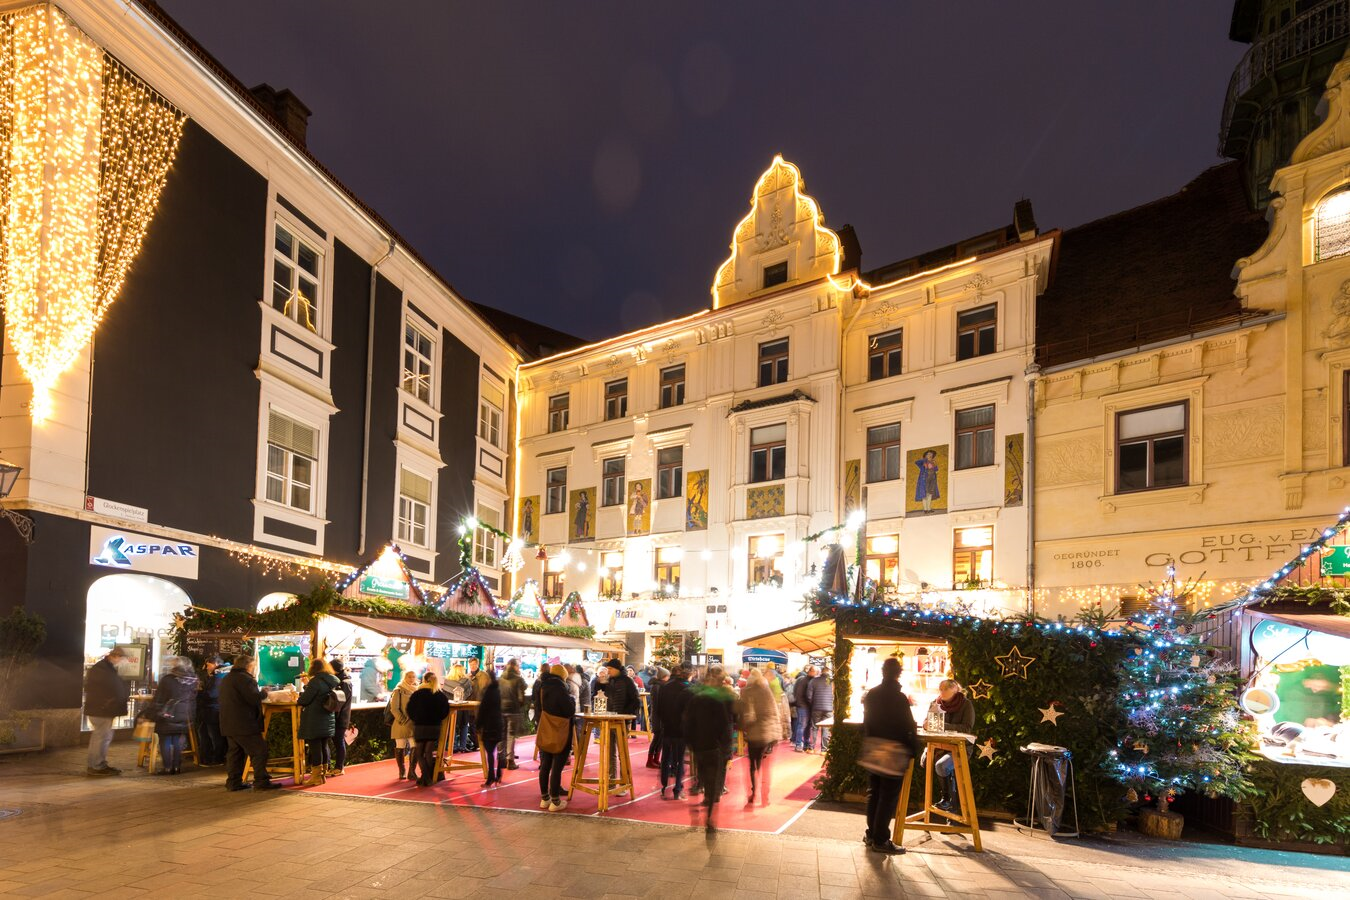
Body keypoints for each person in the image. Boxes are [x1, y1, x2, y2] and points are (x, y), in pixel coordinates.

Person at [862, 657, 922, 854]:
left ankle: (871, 835)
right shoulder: (899, 697)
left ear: (882, 671)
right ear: (899, 673)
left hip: (874, 746)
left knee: (874, 793)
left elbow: (867, 721)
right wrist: (914, 747)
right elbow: (907, 725)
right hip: (893, 749)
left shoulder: (872, 694)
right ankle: (881, 840)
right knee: (888, 797)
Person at [683, 665, 737, 832]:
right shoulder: (722, 698)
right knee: (714, 779)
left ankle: (702, 807)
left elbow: (686, 723)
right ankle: (710, 816)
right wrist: (727, 749)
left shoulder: (696, 697)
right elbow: (726, 725)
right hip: (714, 747)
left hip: (700, 745)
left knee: (702, 775)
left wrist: (690, 743)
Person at [219, 653, 279, 791]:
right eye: (253, 666)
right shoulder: (245, 679)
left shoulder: (227, 678)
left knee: (235, 753)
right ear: (248, 666)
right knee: (259, 750)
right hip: (244, 723)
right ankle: (261, 781)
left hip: (228, 722)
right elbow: (253, 698)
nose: (254, 669)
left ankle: (233, 782)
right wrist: (264, 692)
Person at [925, 679, 976, 814]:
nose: (941, 692)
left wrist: (942, 726)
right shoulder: (935, 703)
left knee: (942, 766)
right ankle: (949, 809)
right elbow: (928, 723)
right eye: (940, 689)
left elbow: (966, 728)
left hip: (960, 748)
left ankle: (947, 801)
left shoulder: (966, 705)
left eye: (945, 689)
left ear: (954, 690)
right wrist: (926, 724)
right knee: (928, 762)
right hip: (939, 746)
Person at [84, 646, 130, 776]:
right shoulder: (102, 669)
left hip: (102, 708)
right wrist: (110, 701)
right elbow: (108, 688)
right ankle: (97, 765)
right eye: (121, 658)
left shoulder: (104, 668)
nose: (121, 661)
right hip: (101, 709)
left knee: (100, 737)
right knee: (101, 737)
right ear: (115, 656)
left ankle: (96, 764)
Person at [537, 663, 577, 811]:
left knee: (545, 764)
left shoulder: (542, 686)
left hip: (546, 729)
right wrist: (571, 700)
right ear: (563, 676)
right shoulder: (560, 688)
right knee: (557, 766)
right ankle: (555, 801)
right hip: (560, 730)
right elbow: (568, 710)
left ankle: (544, 798)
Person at [739, 668, 781, 805]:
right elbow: (775, 712)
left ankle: (753, 792)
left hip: (754, 734)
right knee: (765, 766)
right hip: (768, 734)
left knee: (753, 764)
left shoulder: (747, 692)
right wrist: (776, 733)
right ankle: (765, 796)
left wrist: (745, 727)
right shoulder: (766, 691)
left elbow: (748, 714)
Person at [597, 658, 639, 794]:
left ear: (616, 669)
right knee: (609, 752)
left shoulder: (627, 681)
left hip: (622, 720)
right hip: (610, 719)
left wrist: (626, 714)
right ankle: (611, 782)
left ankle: (623, 782)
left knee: (622, 752)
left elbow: (635, 700)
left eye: (610, 669)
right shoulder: (610, 681)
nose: (608, 671)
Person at [296, 658, 339, 786]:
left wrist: (301, 694)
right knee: (324, 746)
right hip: (327, 718)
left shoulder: (316, 682)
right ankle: (323, 775)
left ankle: (316, 777)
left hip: (315, 719)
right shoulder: (331, 680)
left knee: (315, 747)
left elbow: (304, 700)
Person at [152, 657, 198, 775]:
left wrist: (154, 712)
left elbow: (159, 698)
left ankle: (167, 767)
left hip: (168, 714)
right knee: (177, 741)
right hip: (184, 714)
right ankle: (177, 767)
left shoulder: (168, 679)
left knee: (165, 740)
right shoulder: (193, 679)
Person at [406, 672, 451, 787]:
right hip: (434, 726)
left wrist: (416, 718)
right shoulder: (440, 695)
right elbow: (445, 711)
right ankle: (429, 777)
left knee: (420, 753)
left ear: (424, 681)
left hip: (420, 726)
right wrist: (437, 719)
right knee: (428, 752)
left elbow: (409, 709)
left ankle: (425, 777)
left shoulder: (417, 694)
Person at [655, 665, 692, 799]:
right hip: (681, 730)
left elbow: (658, 709)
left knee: (665, 758)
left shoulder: (665, 687)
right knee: (680, 759)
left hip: (667, 728)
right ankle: (678, 788)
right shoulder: (687, 689)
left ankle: (664, 787)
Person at [477, 663, 505, 787]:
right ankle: (498, 773)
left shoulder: (487, 692)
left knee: (489, 752)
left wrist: (478, 725)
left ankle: (491, 777)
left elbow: (483, 710)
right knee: (498, 750)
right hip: (498, 723)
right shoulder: (498, 690)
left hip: (489, 725)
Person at [195, 656, 227, 766]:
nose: (207, 668)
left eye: (208, 665)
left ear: (216, 664)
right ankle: (210, 758)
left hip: (213, 709)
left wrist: (198, 693)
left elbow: (212, 694)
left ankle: (217, 759)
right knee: (207, 733)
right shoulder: (222, 674)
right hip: (214, 709)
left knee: (214, 735)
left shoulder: (219, 676)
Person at [390, 670, 419, 781]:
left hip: (413, 722)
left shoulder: (417, 689)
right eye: (409, 677)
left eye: (413, 677)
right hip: (402, 723)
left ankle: (412, 771)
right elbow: (394, 708)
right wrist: (402, 719)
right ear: (404, 677)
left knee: (414, 746)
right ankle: (401, 770)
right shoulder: (399, 690)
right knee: (400, 746)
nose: (411, 679)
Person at [499, 658, 527, 770]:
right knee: (511, 735)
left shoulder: (500, 679)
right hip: (513, 710)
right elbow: (521, 695)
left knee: (501, 734)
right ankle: (510, 760)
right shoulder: (518, 679)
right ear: (515, 666)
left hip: (500, 709)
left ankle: (501, 759)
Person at [329, 659, 355, 776]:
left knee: (338, 741)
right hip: (341, 716)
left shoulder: (343, 682)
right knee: (337, 741)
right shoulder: (343, 680)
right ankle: (337, 767)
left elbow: (340, 702)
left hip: (341, 717)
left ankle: (339, 767)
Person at [806, 666, 834, 752]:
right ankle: (824, 750)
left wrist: (813, 703)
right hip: (829, 708)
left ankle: (811, 748)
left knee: (814, 727)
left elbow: (809, 696)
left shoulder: (813, 681)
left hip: (816, 708)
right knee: (826, 728)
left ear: (821, 672)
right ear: (828, 672)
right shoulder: (832, 681)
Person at [793, 666, 815, 751]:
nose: (816, 674)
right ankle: (798, 744)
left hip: (805, 706)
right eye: (814, 672)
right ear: (810, 671)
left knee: (806, 726)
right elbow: (799, 694)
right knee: (802, 725)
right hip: (803, 706)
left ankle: (805, 743)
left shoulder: (807, 680)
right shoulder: (804, 680)